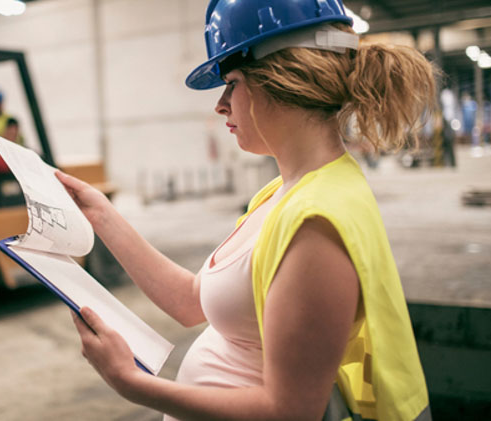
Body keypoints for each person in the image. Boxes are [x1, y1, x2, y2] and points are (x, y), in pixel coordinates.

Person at [55, 1, 434, 420]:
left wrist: (134, 384)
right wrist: (101, 213)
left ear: (283, 80)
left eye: (231, 82)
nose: (220, 104)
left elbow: (289, 411)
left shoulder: (316, 225)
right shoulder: (284, 193)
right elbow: (192, 301)